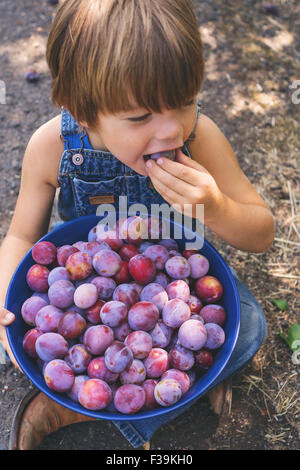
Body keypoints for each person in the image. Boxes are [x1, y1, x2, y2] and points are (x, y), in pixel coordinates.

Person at [0, 0, 274, 450]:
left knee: (251, 328)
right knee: (21, 338)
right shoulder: (52, 147)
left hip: (177, 285)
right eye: (140, 117)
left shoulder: (200, 138)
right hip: (85, 279)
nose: (170, 132)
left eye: (184, 102)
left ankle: (77, 408)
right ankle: (190, 386)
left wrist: (217, 206)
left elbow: (261, 233)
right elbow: (21, 237)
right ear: (82, 111)